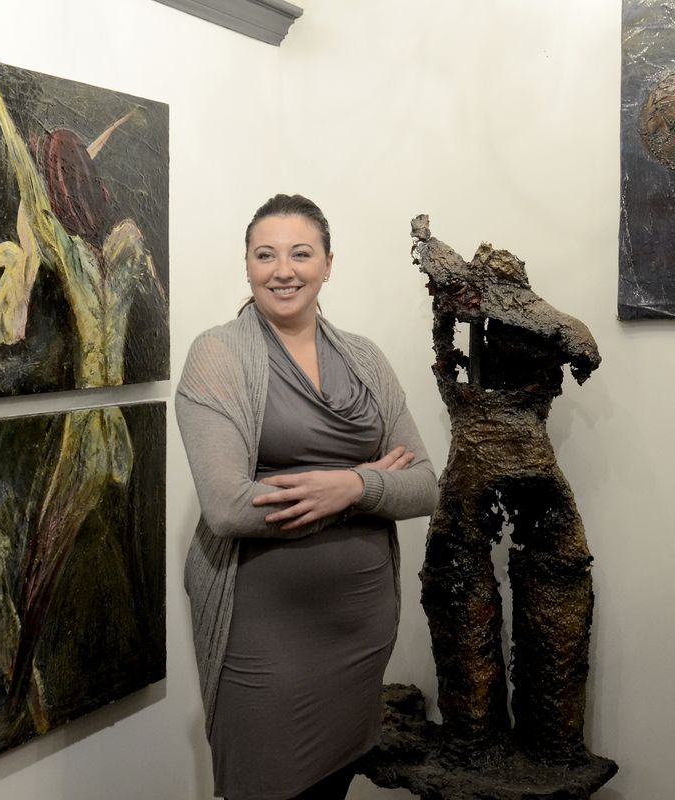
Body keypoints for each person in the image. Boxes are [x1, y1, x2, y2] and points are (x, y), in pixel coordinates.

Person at [177, 194, 439, 800]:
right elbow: (227, 506)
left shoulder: (365, 358)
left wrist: (351, 484)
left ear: (328, 264)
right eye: (265, 255)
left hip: (358, 633)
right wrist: (369, 485)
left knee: (331, 791)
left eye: (301, 253)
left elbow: (424, 484)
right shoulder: (217, 354)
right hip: (265, 638)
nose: (283, 269)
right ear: (247, 265)